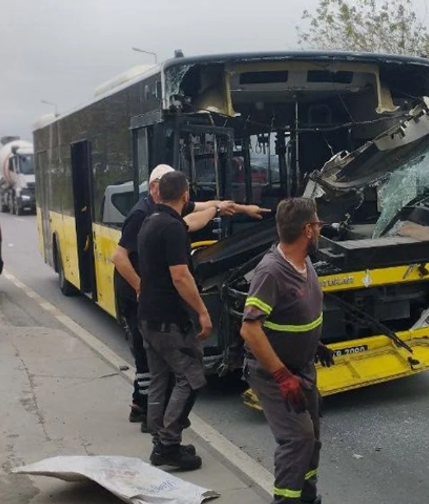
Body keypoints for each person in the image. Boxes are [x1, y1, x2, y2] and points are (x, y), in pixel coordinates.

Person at [112, 164, 269, 430]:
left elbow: (203, 211)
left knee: (160, 373)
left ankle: (155, 429)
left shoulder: (159, 218)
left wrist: (240, 209)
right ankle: (163, 433)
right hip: (143, 301)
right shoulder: (144, 216)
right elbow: (171, 274)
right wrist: (143, 289)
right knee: (184, 375)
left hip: (151, 308)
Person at [240, 197, 335, 504]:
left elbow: (294, 312)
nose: (319, 230)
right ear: (308, 230)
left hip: (303, 367)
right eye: (317, 224)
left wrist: (313, 342)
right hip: (274, 374)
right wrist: (281, 376)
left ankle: (307, 498)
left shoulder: (304, 261)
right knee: (297, 439)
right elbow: (250, 329)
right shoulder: (271, 272)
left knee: (312, 439)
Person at [137, 170, 212, 470]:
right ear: (185, 194)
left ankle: (161, 439)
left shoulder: (150, 222)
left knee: (160, 378)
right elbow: (180, 276)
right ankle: (168, 444)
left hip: (148, 316)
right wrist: (203, 312)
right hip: (169, 320)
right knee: (191, 378)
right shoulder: (172, 228)